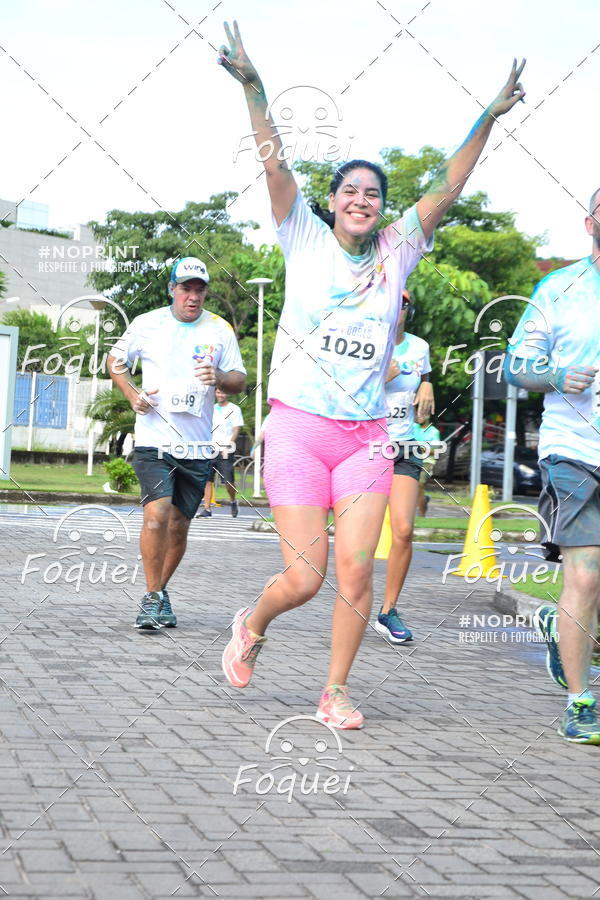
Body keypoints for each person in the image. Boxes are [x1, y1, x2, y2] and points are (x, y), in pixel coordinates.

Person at [218, 20, 526, 729]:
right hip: (298, 428)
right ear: (332, 201)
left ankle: (334, 691)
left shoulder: (399, 250)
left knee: (357, 570)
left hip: (365, 438)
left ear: (382, 207)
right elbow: (276, 167)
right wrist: (254, 88)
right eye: (350, 191)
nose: (361, 199)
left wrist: (488, 115)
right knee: (305, 577)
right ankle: (253, 624)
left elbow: (450, 184)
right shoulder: (303, 238)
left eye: (373, 193)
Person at [504, 187, 600, 744]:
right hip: (574, 451)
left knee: (590, 586)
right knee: (584, 573)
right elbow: (517, 364)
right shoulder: (558, 289)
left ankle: (559, 627)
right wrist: (558, 376)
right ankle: (580, 702)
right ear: (590, 223)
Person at [107, 257, 246, 630]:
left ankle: (160, 591)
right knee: (157, 515)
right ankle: (151, 597)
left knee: (180, 525)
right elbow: (115, 361)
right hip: (154, 440)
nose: (193, 296)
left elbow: (239, 380)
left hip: (198, 447)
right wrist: (132, 393)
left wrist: (218, 376)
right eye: (185, 288)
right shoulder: (146, 324)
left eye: (199, 289)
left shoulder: (219, 329)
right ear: (172, 289)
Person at [375, 290, 434, 644]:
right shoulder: (366, 342)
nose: (397, 308)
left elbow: (424, 379)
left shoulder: (419, 347)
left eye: (404, 302)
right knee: (362, 539)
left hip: (405, 445)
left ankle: (388, 610)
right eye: (392, 300)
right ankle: (353, 602)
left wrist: (426, 382)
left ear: (409, 309)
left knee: (403, 530)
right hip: (365, 447)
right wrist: (381, 377)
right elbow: (342, 392)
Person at [198, 388, 244, 518]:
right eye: (218, 392)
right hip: (210, 448)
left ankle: (233, 501)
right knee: (207, 480)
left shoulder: (234, 409)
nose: (221, 395)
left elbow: (236, 430)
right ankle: (207, 509)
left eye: (223, 392)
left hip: (225, 449)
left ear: (227, 394)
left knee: (228, 481)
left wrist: (228, 445)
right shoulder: (211, 408)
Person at [413, 414, 442, 517]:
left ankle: (422, 515)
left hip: (427, 462)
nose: (419, 416)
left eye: (423, 413)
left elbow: (436, 451)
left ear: (428, 415)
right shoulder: (412, 428)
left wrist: (420, 450)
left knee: (419, 484)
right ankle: (423, 500)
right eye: (418, 413)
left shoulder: (434, 432)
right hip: (412, 460)